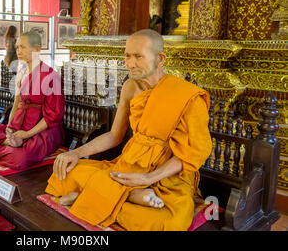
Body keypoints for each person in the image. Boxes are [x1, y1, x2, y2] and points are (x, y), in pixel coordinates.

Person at [45, 29, 212, 231]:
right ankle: (128, 196)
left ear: (160, 59)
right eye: (127, 56)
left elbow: (192, 155)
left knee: (170, 223)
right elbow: (114, 136)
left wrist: (148, 178)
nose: (130, 64)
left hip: (167, 177)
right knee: (66, 173)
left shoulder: (187, 97)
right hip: (128, 165)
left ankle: (89, 198)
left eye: (138, 56)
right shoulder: (130, 88)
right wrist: (76, 152)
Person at [0, 31, 65, 170]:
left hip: (41, 131)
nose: (18, 51)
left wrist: (27, 134)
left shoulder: (51, 76)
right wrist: (10, 126)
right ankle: (7, 142)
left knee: (21, 158)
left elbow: (53, 116)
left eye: (23, 47)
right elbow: (17, 103)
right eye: (17, 47)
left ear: (37, 49)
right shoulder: (22, 72)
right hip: (19, 125)